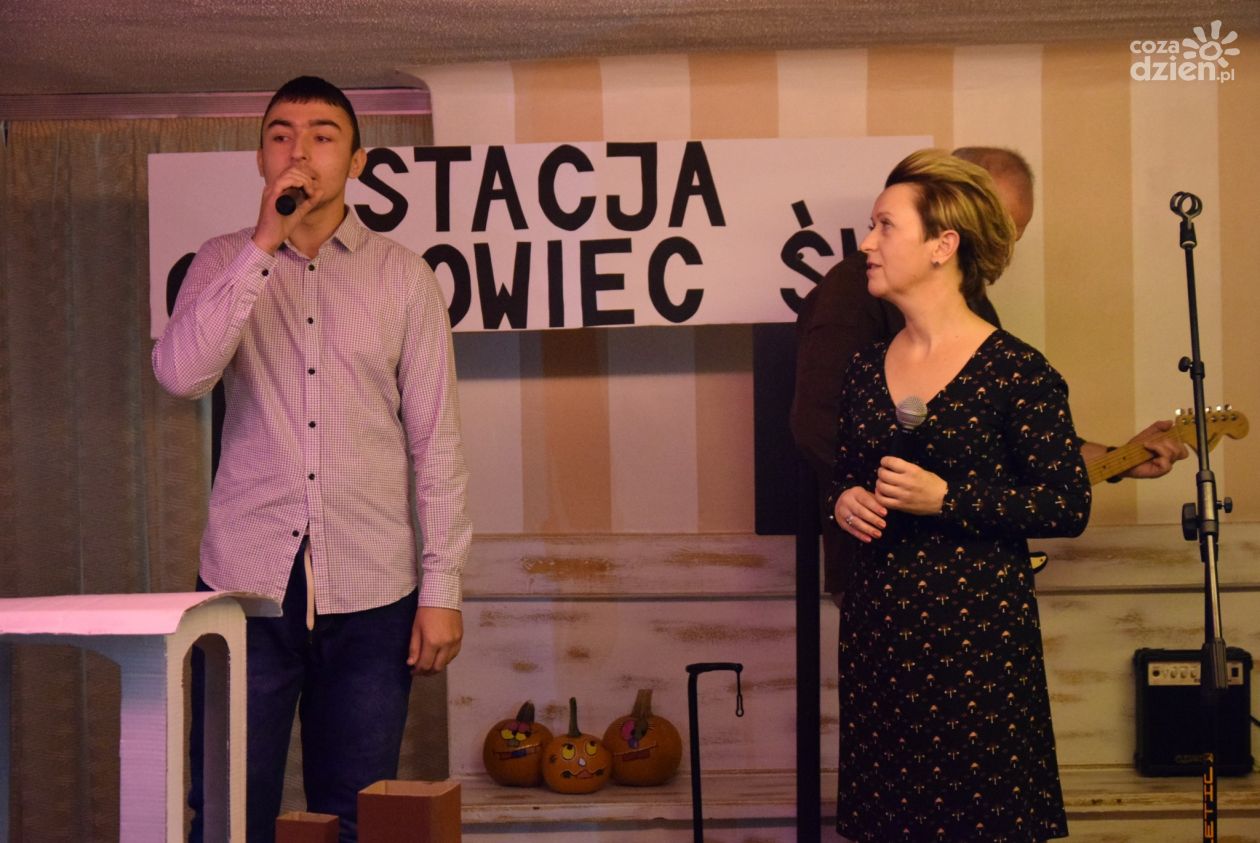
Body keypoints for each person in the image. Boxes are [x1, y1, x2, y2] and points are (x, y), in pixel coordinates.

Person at [153, 76, 471, 842]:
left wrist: (443, 587)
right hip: (244, 588)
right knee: (226, 810)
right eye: (281, 135)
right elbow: (180, 374)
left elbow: (437, 442)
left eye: (323, 136)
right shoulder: (222, 260)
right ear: (261, 159)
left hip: (374, 591)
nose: (300, 151)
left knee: (357, 814)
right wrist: (263, 245)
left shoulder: (404, 277)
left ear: (356, 162)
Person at [790, 146, 1188, 605]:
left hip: (978, 586)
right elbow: (820, 425)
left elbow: (1009, 448)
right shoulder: (856, 302)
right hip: (881, 571)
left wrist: (1120, 459)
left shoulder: (1000, 342)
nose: (997, 242)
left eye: (1011, 233)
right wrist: (860, 496)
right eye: (990, 219)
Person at [829, 149, 1086, 840]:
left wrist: (949, 498)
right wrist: (844, 499)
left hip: (978, 656)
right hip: (880, 647)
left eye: (885, 226)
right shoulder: (863, 368)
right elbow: (845, 472)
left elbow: (1067, 502)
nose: (867, 243)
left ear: (943, 246)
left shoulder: (1018, 372)